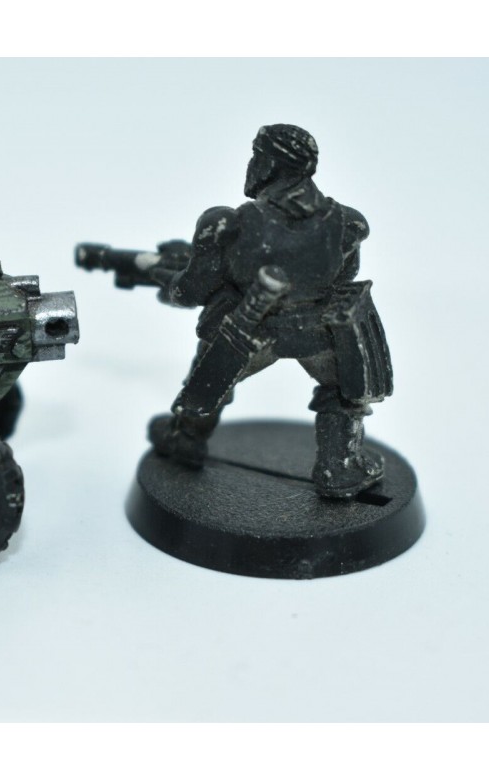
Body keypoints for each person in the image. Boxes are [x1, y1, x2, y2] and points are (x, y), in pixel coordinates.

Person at [149, 124, 393, 498]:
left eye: (256, 156)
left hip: (250, 330)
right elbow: (342, 280)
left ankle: (186, 437)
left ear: (268, 164)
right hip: (317, 333)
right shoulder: (348, 223)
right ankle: (339, 465)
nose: (252, 165)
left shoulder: (226, 224)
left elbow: (191, 292)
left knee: (211, 379)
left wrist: (168, 280)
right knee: (342, 391)